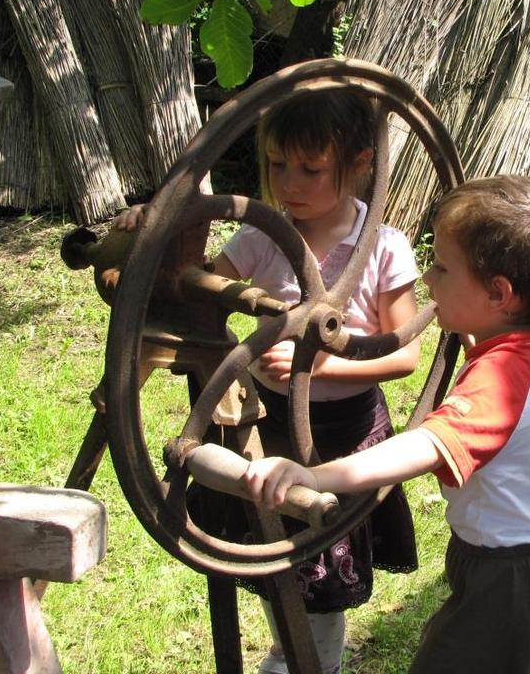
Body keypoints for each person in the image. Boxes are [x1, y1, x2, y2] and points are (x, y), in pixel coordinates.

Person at [114, 90, 421, 674]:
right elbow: (193, 289)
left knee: (321, 564)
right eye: (278, 164)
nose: (289, 183)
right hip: (269, 427)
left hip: (343, 434)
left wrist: (329, 364)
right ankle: (294, 646)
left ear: (359, 163)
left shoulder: (384, 247)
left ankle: (309, 661)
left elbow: (405, 355)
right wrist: (148, 236)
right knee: (275, 556)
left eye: (311, 168)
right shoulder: (261, 236)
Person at [243, 174, 530, 674]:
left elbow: (422, 447)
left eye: (442, 269)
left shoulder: (500, 380)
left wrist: (315, 476)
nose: (428, 281)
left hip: (505, 579)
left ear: (499, 294)